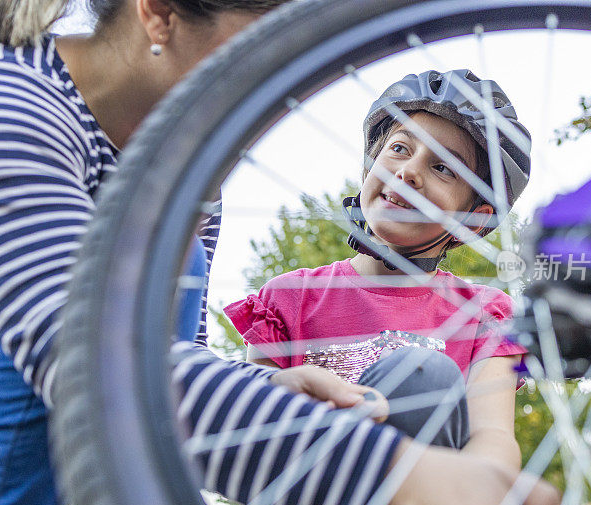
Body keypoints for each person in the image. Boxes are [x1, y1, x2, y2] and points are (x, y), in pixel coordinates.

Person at [0, 0, 561, 505]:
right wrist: (385, 480)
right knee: (112, 271)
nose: (282, 84)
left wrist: (265, 391)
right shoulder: (0, 97)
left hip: (38, 447)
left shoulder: (190, 177)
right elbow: (68, 340)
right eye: (264, 47)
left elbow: (169, 359)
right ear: (159, 13)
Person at [225, 69, 528, 469]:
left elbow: (494, 440)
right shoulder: (287, 299)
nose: (408, 172)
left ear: (473, 221)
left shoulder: (486, 316)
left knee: (423, 374)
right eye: (400, 149)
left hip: (436, 497)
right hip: (319, 492)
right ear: (369, 170)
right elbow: (256, 429)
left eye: (443, 169)